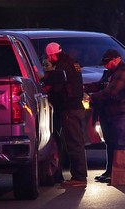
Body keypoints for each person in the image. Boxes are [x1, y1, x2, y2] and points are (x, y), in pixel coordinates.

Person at [88, 49, 125, 183]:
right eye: (105, 63)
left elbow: (112, 91)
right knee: (111, 143)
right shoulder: (111, 73)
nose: (106, 66)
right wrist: (86, 88)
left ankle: (123, 176)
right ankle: (111, 172)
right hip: (115, 113)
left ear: (117, 59)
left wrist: (92, 97)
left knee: (123, 144)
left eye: (108, 62)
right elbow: (102, 85)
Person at [43, 42, 87, 187]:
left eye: (49, 57)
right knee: (78, 142)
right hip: (78, 108)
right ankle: (80, 176)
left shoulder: (63, 67)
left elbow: (57, 88)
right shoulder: (73, 63)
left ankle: (78, 178)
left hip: (69, 109)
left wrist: (47, 90)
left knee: (73, 143)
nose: (49, 60)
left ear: (52, 54)